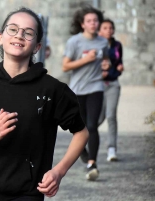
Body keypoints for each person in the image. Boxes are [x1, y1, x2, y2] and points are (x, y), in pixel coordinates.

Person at [0, 7, 88, 200]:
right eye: (13, 29)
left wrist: (58, 172)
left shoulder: (52, 89)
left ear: (37, 46)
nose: (19, 35)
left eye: (28, 33)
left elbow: (81, 132)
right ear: (0, 37)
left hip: (29, 193)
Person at [62, 5, 110, 181]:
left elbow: (105, 60)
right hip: (77, 90)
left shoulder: (103, 42)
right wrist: (85, 60)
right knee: (79, 127)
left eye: (95, 20)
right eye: (89, 21)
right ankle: (82, 149)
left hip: (96, 87)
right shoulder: (74, 42)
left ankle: (92, 163)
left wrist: (106, 66)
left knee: (92, 125)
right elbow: (65, 66)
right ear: (82, 24)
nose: (93, 23)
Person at [98, 19, 124, 162]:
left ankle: (111, 149)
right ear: (100, 30)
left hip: (113, 84)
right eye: (105, 27)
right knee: (97, 119)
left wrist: (117, 69)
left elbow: (119, 65)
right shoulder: (96, 45)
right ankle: (84, 142)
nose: (108, 30)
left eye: (110, 28)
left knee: (111, 115)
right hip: (97, 86)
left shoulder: (117, 45)